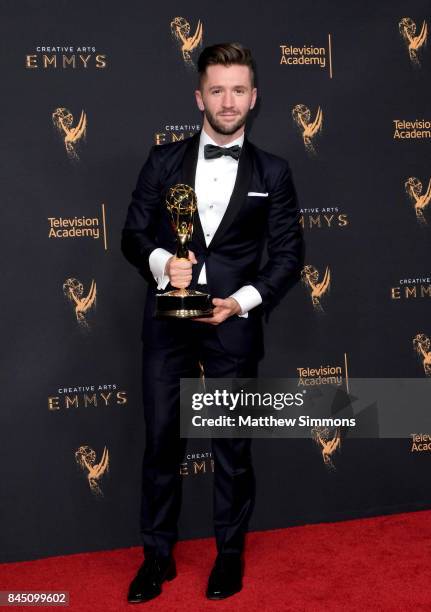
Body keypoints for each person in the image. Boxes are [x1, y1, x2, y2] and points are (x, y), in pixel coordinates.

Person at [121, 42, 303, 603]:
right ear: (199, 96)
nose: (228, 101)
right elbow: (132, 235)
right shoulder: (162, 160)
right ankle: (156, 557)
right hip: (169, 324)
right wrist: (161, 263)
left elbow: (288, 254)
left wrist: (242, 301)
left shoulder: (273, 170)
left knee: (231, 446)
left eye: (239, 89)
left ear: (255, 97)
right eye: (217, 89)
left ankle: (228, 556)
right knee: (160, 445)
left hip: (232, 324)